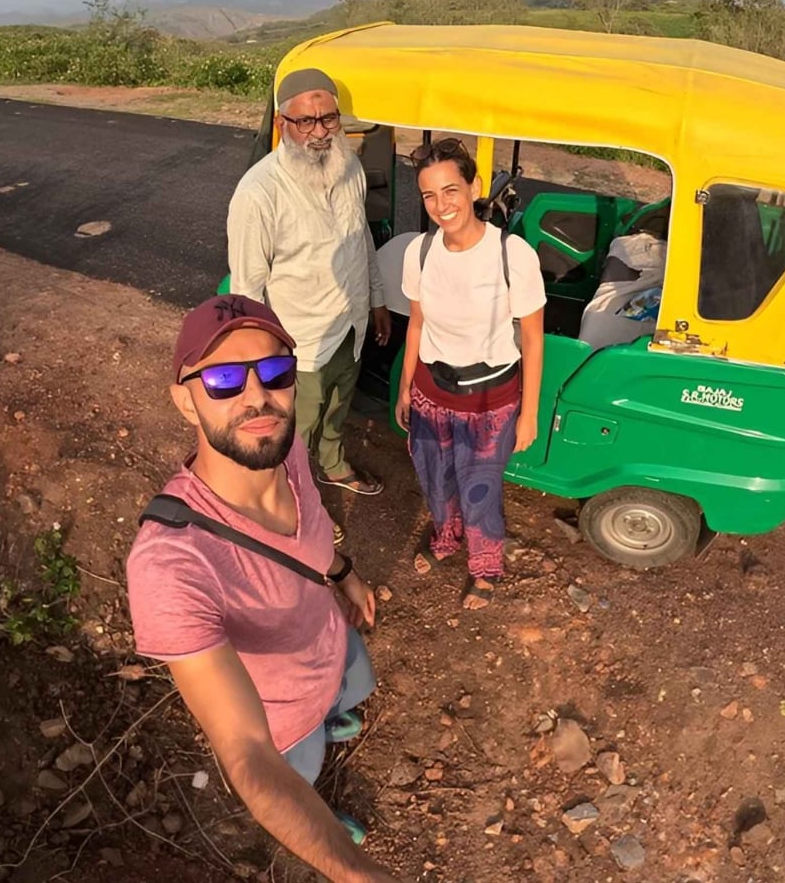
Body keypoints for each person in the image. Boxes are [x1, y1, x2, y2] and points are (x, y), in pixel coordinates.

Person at [125, 294, 397, 883]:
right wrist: (356, 873)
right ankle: (327, 823)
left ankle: (334, 715)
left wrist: (343, 573)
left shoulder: (285, 447)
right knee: (300, 778)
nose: (257, 398)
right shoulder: (171, 562)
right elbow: (246, 752)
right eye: (223, 379)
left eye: (273, 372)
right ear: (184, 401)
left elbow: (308, 543)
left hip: (331, 644)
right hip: (280, 721)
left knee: (344, 698)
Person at [227, 68, 392, 534]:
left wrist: (376, 300)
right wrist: (263, 356)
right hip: (299, 337)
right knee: (293, 429)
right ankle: (295, 502)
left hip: (351, 323)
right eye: (306, 122)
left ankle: (334, 462)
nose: (319, 133)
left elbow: (362, 242)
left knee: (340, 403)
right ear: (283, 124)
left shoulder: (350, 168)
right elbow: (246, 287)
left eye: (329, 120)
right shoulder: (259, 193)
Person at [395, 139, 547, 610]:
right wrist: (405, 388)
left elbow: (534, 339)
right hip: (430, 392)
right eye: (429, 196)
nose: (442, 206)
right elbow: (416, 323)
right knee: (435, 479)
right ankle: (446, 536)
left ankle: (486, 567)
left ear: (474, 186)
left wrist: (529, 415)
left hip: (489, 401)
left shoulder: (511, 254)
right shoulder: (419, 253)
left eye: (451, 190)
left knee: (479, 489)